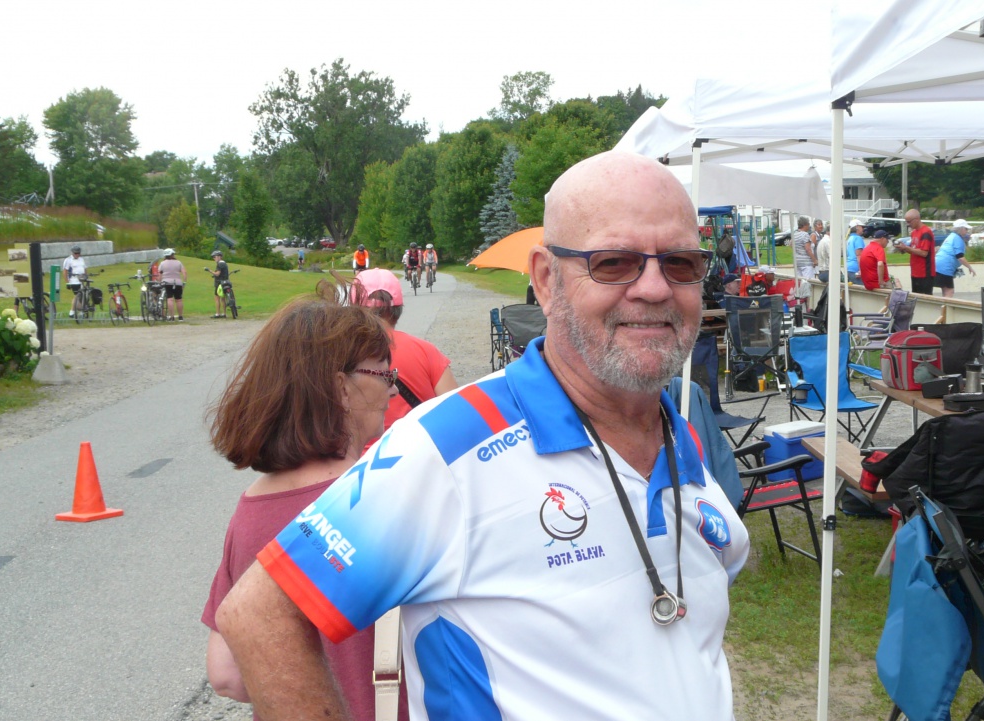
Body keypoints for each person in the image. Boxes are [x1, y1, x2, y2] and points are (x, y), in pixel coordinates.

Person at [214, 151, 750, 721]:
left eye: (681, 263)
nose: (655, 288)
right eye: (614, 262)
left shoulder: (681, 436)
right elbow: (259, 616)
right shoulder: (447, 445)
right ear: (546, 280)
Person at [202, 298, 403, 720]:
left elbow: (227, 675)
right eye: (385, 374)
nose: (393, 390)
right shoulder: (389, 495)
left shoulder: (250, 509)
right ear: (340, 389)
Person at [349, 268, 459, 432]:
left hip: (360, 449)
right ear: (398, 309)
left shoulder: (338, 353)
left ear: (353, 310)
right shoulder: (426, 351)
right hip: (416, 446)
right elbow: (457, 413)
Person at [895, 209, 936, 295]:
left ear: (916, 219)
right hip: (915, 272)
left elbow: (924, 253)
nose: (908, 224)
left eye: (909, 222)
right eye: (906, 222)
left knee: (924, 299)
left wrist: (907, 248)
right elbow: (914, 250)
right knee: (916, 298)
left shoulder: (926, 232)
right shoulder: (914, 233)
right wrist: (904, 249)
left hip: (925, 273)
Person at [934, 219, 977, 298]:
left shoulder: (951, 236)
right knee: (949, 292)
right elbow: (960, 257)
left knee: (945, 290)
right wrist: (970, 267)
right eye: (966, 229)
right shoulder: (958, 239)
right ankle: (946, 306)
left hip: (937, 266)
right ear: (961, 229)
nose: (967, 231)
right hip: (945, 268)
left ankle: (944, 305)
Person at [158, 248, 187, 321]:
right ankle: (180, 317)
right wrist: (184, 282)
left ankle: (172, 317)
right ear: (172, 255)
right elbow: (184, 272)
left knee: (170, 299)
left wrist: (159, 282)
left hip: (167, 283)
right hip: (177, 283)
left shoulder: (162, 263)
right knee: (179, 300)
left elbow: (160, 274)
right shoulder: (178, 262)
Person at [62, 245, 88, 317]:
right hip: (74, 280)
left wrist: (86, 276)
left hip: (82, 280)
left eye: (78, 253)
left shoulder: (81, 259)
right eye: (75, 253)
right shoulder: (68, 260)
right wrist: (67, 282)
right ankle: (74, 311)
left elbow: (85, 268)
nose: (77, 255)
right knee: (77, 295)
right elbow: (65, 271)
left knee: (82, 296)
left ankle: (78, 311)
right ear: (72, 253)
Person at [845, 218, 867, 285]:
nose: (863, 228)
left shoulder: (849, 239)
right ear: (857, 227)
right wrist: (861, 270)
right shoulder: (858, 238)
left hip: (848, 267)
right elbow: (859, 255)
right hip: (856, 268)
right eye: (861, 227)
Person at [209, 249, 230, 318]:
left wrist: (210, 271)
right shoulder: (224, 263)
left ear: (219, 257)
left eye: (214, 257)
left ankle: (217, 313)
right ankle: (224, 313)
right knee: (223, 298)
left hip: (219, 283)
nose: (214, 258)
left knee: (217, 298)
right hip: (226, 282)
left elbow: (217, 274)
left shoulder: (219, 264)